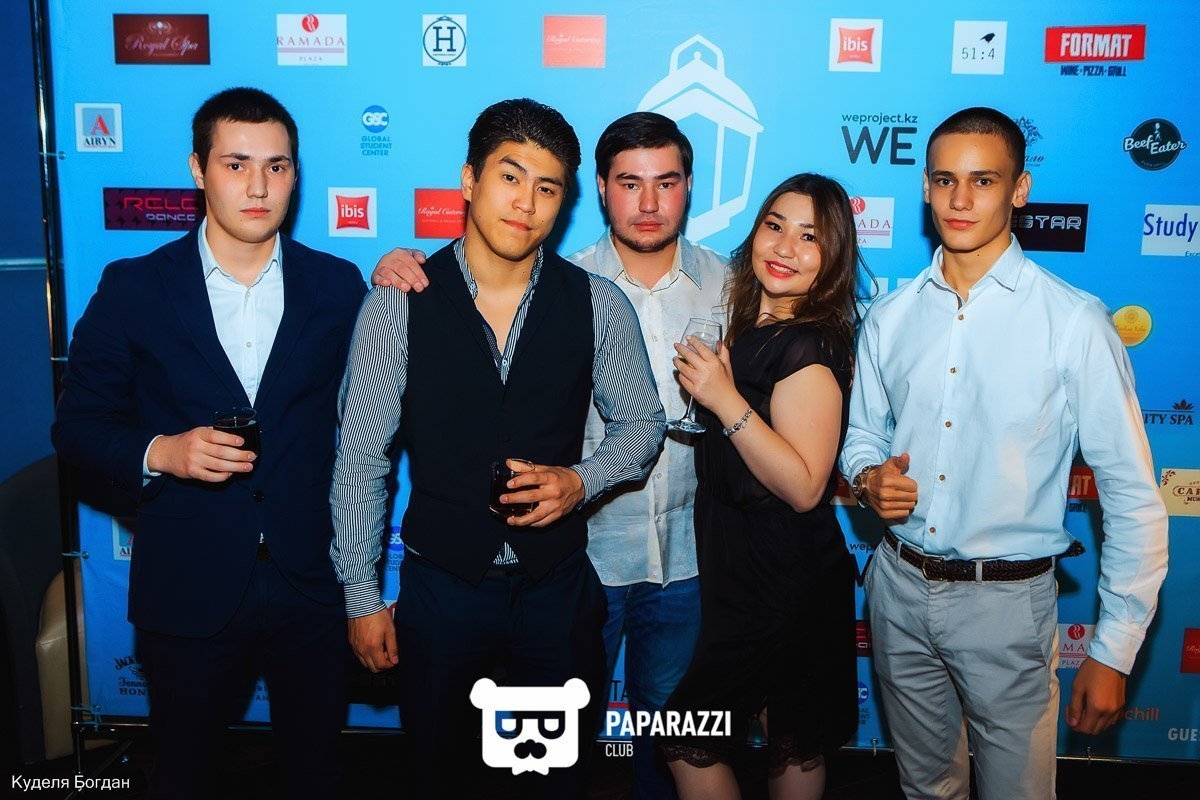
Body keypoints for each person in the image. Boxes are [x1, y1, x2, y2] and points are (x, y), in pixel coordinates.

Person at [373, 111, 728, 799]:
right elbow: (363, 458)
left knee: (579, 769)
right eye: (511, 178)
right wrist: (363, 597)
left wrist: (579, 479)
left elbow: (642, 424)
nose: (526, 202)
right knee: (446, 766)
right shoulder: (410, 297)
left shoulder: (650, 293)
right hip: (472, 581)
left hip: (610, 574)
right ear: (469, 181)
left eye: (546, 188)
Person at [839, 107, 1169, 799]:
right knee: (926, 789)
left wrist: (1114, 650)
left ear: (1019, 190)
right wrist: (867, 476)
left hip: (1007, 605)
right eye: (944, 180)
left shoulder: (1073, 322)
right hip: (896, 589)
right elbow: (862, 435)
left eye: (983, 180)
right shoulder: (890, 317)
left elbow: (1132, 494)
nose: (960, 200)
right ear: (925, 188)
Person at [52, 87, 366, 799]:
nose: (258, 187)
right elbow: (76, 427)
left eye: (277, 166)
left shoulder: (337, 285)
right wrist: (162, 452)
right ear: (198, 169)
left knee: (317, 773)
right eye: (236, 164)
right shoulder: (134, 288)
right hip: (187, 581)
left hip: (310, 581)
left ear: (295, 174)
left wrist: (402, 272)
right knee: (183, 773)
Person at [660, 174, 861, 800]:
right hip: (743, 565)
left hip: (783, 574)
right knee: (787, 728)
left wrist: (723, 400)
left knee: (685, 737)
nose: (784, 247)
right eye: (775, 226)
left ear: (833, 257)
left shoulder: (805, 347)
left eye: (809, 237)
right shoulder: (754, 326)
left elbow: (805, 486)